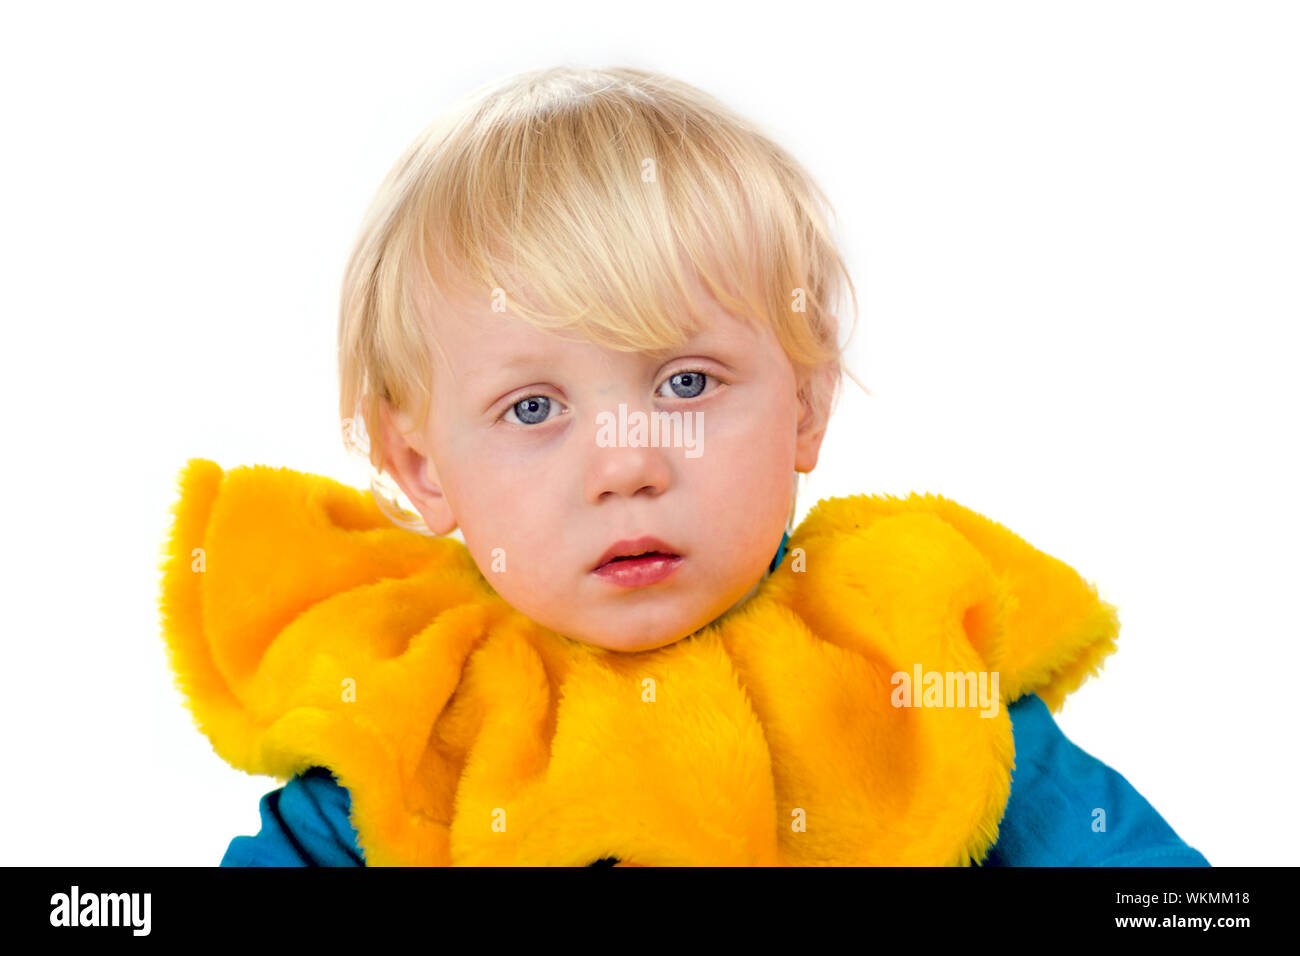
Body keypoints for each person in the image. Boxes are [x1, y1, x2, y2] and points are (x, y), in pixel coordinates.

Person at [162, 64, 1210, 867]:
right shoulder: (407, 721)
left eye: (686, 384)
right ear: (421, 467)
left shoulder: (906, 681)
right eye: (533, 407)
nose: (625, 466)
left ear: (804, 405)